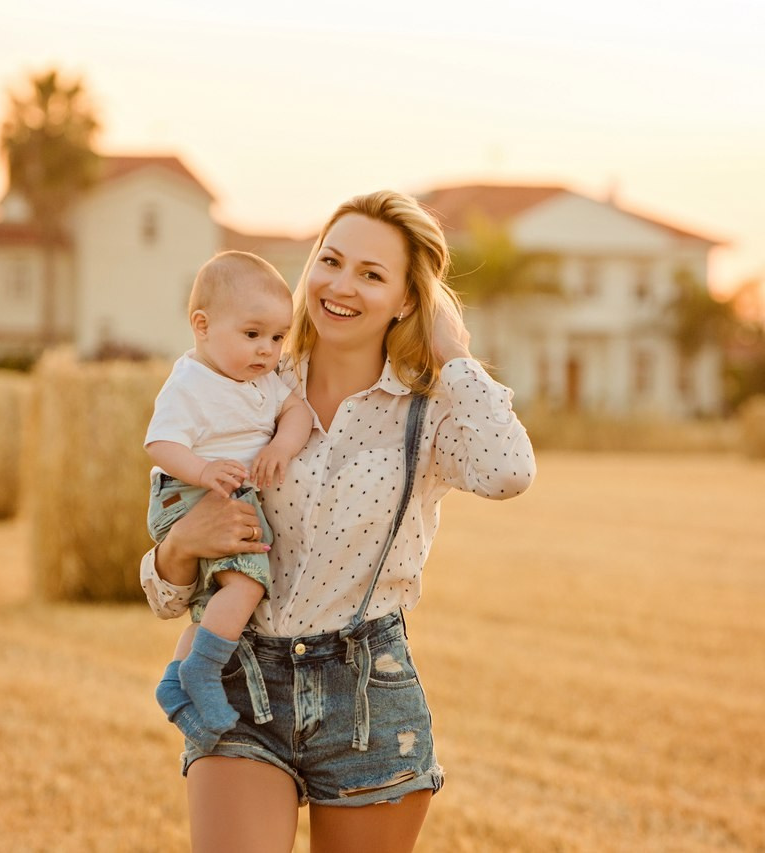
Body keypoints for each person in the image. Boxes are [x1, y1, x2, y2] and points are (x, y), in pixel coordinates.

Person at [141, 190, 535, 852]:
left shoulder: (427, 413)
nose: (341, 285)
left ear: (407, 300)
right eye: (331, 260)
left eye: (372, 274)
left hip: (369, 699)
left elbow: (509, 471)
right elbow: (165, 581)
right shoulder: (250, 377)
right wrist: (182, 544)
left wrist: (455, 351)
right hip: (240, 683)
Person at [146, 251, 314, 752]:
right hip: (191, 492)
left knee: (213, 602)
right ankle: (203, 668)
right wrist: (203, 470)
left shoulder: (266, 377)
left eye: (278, 337)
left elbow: (298, 410)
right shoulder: (191, 383)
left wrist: (281, 445)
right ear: (202, 325)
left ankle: (176, 684)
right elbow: (159, 444)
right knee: (246, 584)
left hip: (224, 490)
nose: (267, 349)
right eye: (252, 334)